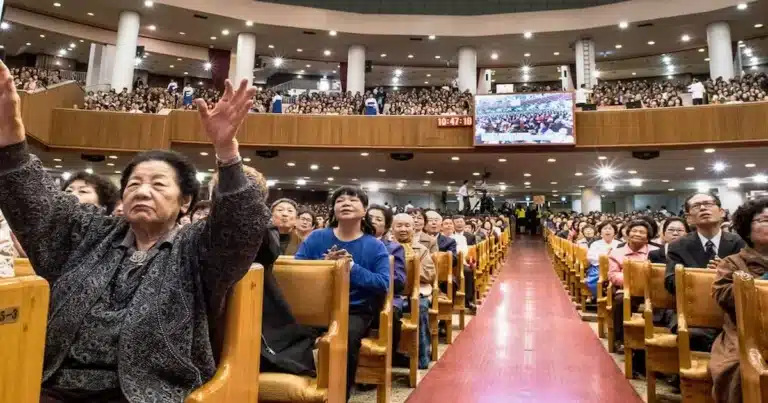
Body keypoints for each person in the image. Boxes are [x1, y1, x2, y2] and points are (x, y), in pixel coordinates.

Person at [0, 70, 270, 402]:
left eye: (158, 184)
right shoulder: (90, 232)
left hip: (149, 392)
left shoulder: (196, 248)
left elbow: (241, 227)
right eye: (133, 184)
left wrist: (227, 152)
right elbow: (37, 205)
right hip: (54, 383)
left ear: (185, 201)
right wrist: (10, 139)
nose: (142, 191)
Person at [295, 186, 390, 401]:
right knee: (290, 335)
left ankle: (339, 396)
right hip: (314, 308)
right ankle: (304, 392)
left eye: (353, 200)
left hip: (354, 310)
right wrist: (325, 266)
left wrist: (352, 268)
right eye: (340, 200)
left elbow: (382, 283)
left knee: (344, 341)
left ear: (364, 210)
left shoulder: (374, 246)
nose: (345, 203)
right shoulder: (316, 238)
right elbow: (297, 273)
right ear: (333, 209)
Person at [710, 197, 768, 403]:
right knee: (737, 368)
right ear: (746, 228)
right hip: (744, 332)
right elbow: (723, 296)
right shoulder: (732, 263)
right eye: (765, 220)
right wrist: (761, 283)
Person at [664, 193, 746, 294]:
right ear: (688, 218)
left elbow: (750, 278)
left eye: (708, 204)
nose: (703, 208)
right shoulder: (678, 246)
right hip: (693, 304)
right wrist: (703, 277)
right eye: (696, 206)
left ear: (722, 212)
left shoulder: (740, 242)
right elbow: (671, 283)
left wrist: (725, 272)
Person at [391, 213, 435, 369]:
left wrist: (410, 270)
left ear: (414, 228)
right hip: (391, 294)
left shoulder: (421, 249)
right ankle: (390, 355)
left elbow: (430, 274)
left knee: (421, 308)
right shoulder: (384, 247)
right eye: (399, 225)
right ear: (392, 228)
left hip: (417, 292)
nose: (403, 229)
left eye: (407, 225)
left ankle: (422, 356)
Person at [367, 204, 406, 294]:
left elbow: (399, 282)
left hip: (386, 295)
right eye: (369, 218)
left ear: (386, 227)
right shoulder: (353, 243)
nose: (372, 221)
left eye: (378, 219)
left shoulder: (394, 248)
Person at [585, 221, 621, 296]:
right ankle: (598, 296)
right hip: (599, 267)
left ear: (614, 232)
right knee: (596, 280)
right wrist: (605, 257)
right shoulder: (595, 244)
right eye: (605, 228)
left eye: (610, 228)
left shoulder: (619, 244)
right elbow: (591, 257)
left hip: (616, 268)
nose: (607, 230)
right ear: (600, 232)